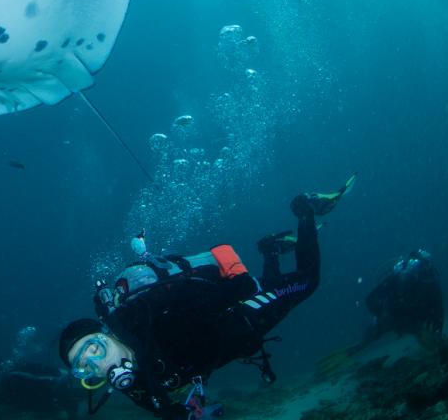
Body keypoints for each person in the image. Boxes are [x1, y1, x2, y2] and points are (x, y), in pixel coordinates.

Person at [58, 175, 355, 419]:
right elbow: (161, 405)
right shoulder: (128, 378)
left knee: (307, 281)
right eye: (84, 367)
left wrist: (235, 290)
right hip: (236, 340)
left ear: (106, 333)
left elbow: (189, 293)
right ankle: (270, 249)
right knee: (270, 290)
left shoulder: (142, 318)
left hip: (243, 314)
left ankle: (305, 208)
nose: (96, 365)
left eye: (93, 348)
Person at [364, 249, 444, 341]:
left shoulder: (431, 284)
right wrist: (383, 315)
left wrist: (437, 332)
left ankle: (374, 330)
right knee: (378, 327)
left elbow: (438, 310)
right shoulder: (397, 278)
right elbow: (371, 300)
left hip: (414, 319)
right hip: (396, 316)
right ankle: (371, 332)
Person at [0, 361, 81, 419]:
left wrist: (66, 380)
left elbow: (44, 379)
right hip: (50, 405)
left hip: (57, 397)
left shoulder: (12, 378)